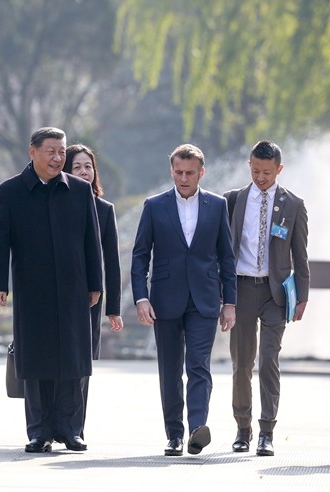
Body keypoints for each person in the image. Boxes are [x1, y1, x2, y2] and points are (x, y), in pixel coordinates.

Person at [0, 127, 103, 453]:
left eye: (61, 152)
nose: (57, 158)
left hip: (73, 288)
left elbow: (91, 241)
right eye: (50, 151)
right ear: (32, 152)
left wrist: (95, 284)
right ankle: (39, 431)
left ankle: (71, 429)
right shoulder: (9, 192)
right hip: (31, 289)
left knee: (72, 359)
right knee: (35, 360)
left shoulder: (79, 190)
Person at [131, 143, 237, 457]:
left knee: (199, 366)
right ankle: (174, 435)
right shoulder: (154, 205)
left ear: (201, 172)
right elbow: (140, 256)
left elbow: (226, 257)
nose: (183, 178)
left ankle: (196, 429)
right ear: (171, 171)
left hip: (204, 299)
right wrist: (141, 297)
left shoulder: (217, 205)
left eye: (190, 172)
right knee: (170, 369)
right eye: (178, 172)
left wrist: (229, 302)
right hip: (164, 299)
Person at [222, 140, 310, 456]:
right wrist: (223, 295)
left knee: (269, 360)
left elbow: (300, 254)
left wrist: (302, 296)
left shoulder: (293, 205)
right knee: (242, 362)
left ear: (279, 169)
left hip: (275, 294)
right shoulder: (232, 200)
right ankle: (242, 428)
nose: (261, 178)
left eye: (267, 172)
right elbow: (222, 250)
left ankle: (267, 431)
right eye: (256, 171)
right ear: (249, 165)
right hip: (242, 289)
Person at [65, 144, 124, 440]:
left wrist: (113, 308)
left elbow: (112, 262)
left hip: (90, 298)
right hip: (59, 294)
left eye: (88, 166)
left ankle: (75, 428)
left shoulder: (104, 209)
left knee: (82, 365)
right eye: (76, 167)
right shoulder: (57, 205)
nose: (84, 172)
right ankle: (52, 425)